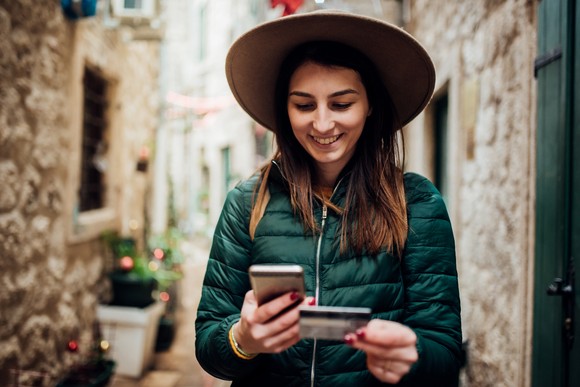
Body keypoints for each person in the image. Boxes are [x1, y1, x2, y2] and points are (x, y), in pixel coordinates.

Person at [195, 9, 462, 387]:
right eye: (304, 105)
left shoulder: (417, 203)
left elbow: (445, 351)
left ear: (370, 105)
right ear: (284, 110)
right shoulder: (245, 202)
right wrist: (242, 339)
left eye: (341, 104)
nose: (322, 124)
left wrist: (412, 354)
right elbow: (208, 342)